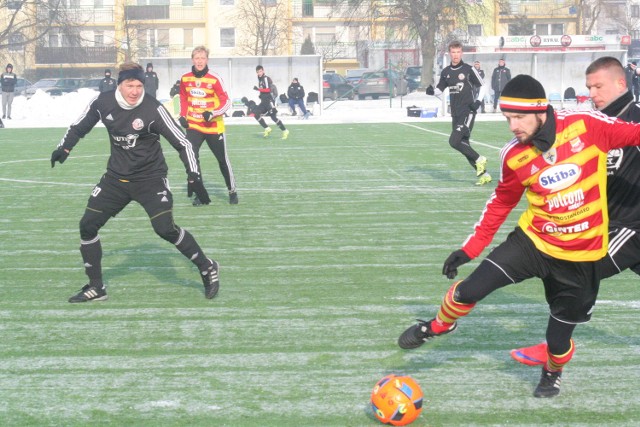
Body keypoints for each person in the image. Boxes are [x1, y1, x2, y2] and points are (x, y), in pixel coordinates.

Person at [398, 74, 640, 398]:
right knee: (469, 290)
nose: (513, 126)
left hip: (580, 259)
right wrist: (470, 249)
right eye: (507, 118)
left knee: (557, 341)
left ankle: (552, 372)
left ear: (542, 111)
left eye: (519, 117)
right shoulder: (514, 155)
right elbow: (501, 202)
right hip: (532, 244)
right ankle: (439, 324)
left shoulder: (586, 126)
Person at [49, 62, 220, 302]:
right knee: (87, 226)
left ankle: (207, 266)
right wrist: (64, 148)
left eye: (139, 85)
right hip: (115, 179)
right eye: (130, 85)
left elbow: (182, 143)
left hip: (151, 179)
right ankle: (96, 287)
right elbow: (79, 127)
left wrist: (194, 174)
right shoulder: (103, 102)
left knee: (165, 229)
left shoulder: (153, 109)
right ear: (120, 85)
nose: (135, 91)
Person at [510, 57, 640, 366]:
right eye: (589, 87)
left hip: (629, 225)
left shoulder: (633, 121)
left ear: (621, 84)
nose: (593, 93)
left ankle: (555, 344)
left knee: (578, 272)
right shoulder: (592, 124)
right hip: (603, 222)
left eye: (599, 86)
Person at [425, 41, 491, 186]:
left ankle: (480, 159)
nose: (455, 55)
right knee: (464, 145)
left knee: (454, 141)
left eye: (458, 52)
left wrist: (478, 102)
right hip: (455, 113)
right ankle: (485, 175)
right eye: (453, 52)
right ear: (450, 53)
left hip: (468, 111)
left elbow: (483, 85)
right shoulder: (446, 72)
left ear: (461, 53)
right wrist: (431, 92)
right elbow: (439, 90)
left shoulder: (468, 69)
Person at [178, 46, 238, 206]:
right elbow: (183, 98)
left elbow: (227, 102)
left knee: (222, 160)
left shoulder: (215, 78)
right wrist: (183, 115)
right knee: (191, 158)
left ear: (207, 60)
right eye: (196, 58)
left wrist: (213, 113)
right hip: (194, 125)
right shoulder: (185, 79)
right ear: (192, 59)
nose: (199, 61)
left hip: (213, 126)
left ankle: (232, 190)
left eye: (202, 58)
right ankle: (200, 193)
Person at [250, 65, 289, 139]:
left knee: (273, 118)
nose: (259, 73)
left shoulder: (265, 78)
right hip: (263, 102)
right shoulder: (260, 79)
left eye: (260, 71)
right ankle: (267, 128)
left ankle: (285, 130)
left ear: (263, 71)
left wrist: (258, 90)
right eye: (258, 72)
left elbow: (268, 90)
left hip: (269, 101)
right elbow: (263, 90)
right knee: (255, 114)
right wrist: (260, 94)